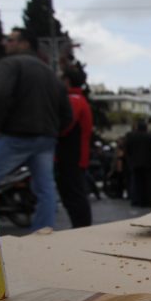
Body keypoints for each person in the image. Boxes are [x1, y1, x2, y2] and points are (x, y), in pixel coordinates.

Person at [0, 27, 71, 231]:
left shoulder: (10, 64)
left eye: (11, 40)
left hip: (16, 134)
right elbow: (66, 112)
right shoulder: (49, 72)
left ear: (25, 44)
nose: (6, 43)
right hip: (45, 138)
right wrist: (53, 129)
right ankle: (44, 232)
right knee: (45, 190)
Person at [54, 64, 93, 227]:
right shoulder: (78, 99)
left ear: (67, 81)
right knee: (74, 195)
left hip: (71, 156)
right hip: (73, 156)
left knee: (74, 195)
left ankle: (81, 230)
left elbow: (65, 125)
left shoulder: (73, 100)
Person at [124, 119, 151, 208]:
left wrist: (130, 160)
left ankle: (137, 200)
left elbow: (127, 150)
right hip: (148, 163)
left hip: (135, 163)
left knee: (136, 182)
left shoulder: (131, 136)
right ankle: (149, 201)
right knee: (149, 183)